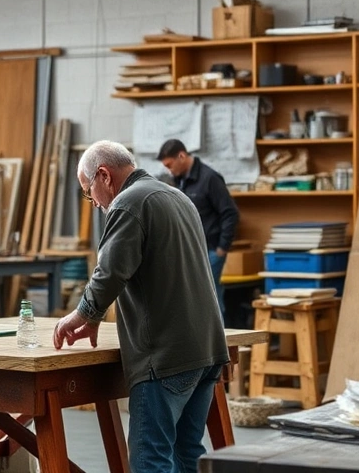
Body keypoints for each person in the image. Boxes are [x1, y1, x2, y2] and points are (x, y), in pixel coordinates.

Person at [53, 140, 229, 473]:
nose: (93, 203)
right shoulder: (177, 197)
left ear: (104, 176)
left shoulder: (128, 203)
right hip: (205, 352)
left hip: (165, 358)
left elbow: (110, 272)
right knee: (186, 452)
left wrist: (83, 314)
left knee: (151, 459)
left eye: (89, 192)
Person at [156, 139, 239, 317]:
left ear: (182, 156)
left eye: (170, 165)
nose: (169, 170)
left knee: (210, 299)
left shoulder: (210, 178)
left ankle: (220, 342)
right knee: (192, 300)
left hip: (210, 250)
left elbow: (230, 213)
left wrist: (222, 248)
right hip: (188, 250)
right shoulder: (178, 181)